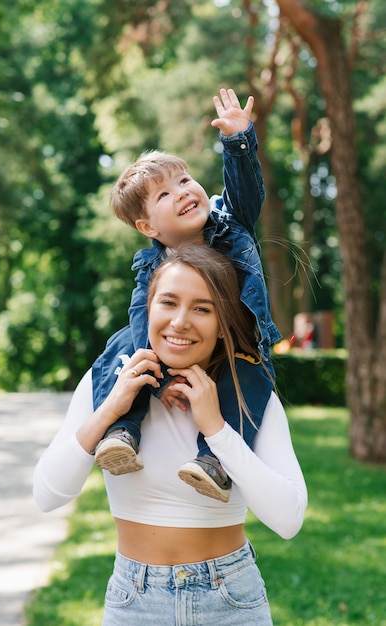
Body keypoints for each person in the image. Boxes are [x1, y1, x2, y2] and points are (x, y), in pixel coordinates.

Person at [34, 245, 308, 626]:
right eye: (168, 302)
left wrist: (216, 429)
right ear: (147, 309)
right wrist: (111, 410)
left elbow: (288, 518)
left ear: (222, 323)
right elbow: (47, 495)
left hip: (229, 600)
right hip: (135, 600)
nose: (180, 322)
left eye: (202, 308)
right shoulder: (108, 384)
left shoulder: (249, 399)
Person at [93, 88, 281, 502]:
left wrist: (238, 141)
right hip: (175, 350)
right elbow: (145, 323)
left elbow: (247, 192)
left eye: (183, 180)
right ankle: (121, 430)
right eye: (164, 194)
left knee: (250, 377)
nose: (182, 191)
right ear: (148, 228)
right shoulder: (151, 267)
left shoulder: (231, 225)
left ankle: (213, 462)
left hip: (234, 345)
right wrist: (159, 382)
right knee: (122, 346)